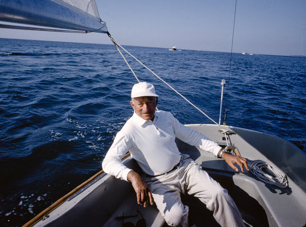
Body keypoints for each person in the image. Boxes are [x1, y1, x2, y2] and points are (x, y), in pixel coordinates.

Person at [102, 82, 248, 227]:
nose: (146, 108)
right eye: (140, 104)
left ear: (156, 101)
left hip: (185, 168)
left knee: (219, 194)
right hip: (159, 181)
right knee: (176, 217)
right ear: (132, 104)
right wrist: (133, 176)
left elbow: (193, 136)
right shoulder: (129, 130)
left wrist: (222, 153)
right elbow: (108, 161)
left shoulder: (167, 117)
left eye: (150, 102)